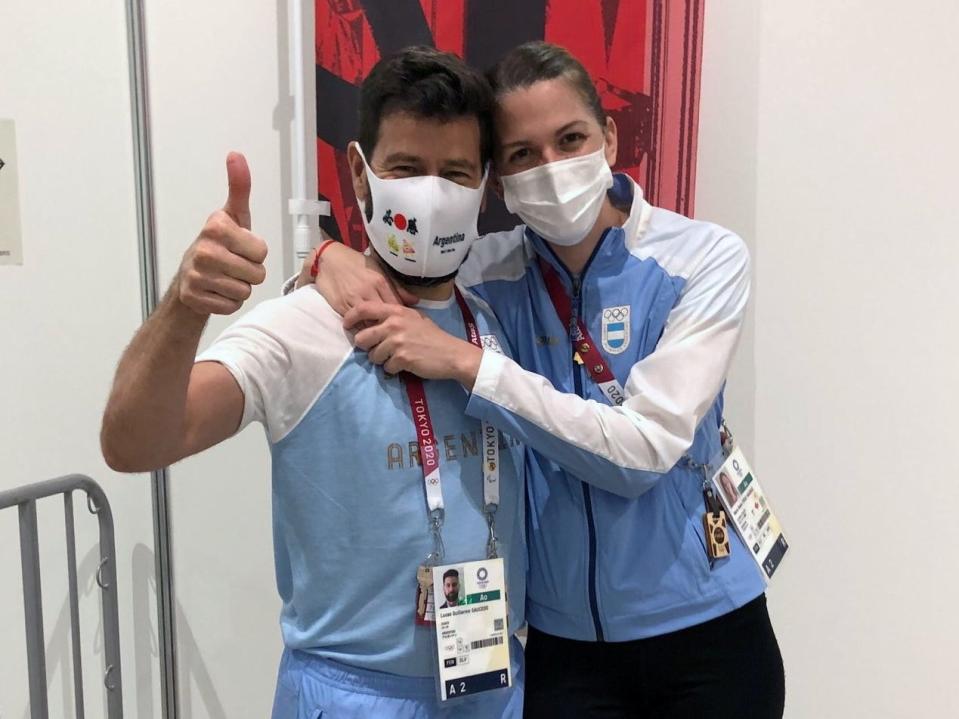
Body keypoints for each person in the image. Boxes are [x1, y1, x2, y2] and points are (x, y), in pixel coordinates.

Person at [302, 42, 785, 718]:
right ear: (496, 181)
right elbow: (386, 272)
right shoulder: (486, 274)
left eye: (569, 139)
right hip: (563, 647)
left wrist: (469, 364)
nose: (551, 169)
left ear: (608, 137)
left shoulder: (702, 258)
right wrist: (324, 255)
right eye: (523, 154)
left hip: (706, 631)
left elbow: (644, 450)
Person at [101, 47, 526, 719]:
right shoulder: (300, 328)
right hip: (353, 694)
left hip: (492, 683)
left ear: (483, 186)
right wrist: (185, 306)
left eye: (454, 173)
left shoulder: (495, 324)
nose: (431, 193)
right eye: (406, 169)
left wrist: (324, 252)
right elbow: (134, 441)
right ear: (360, 174)